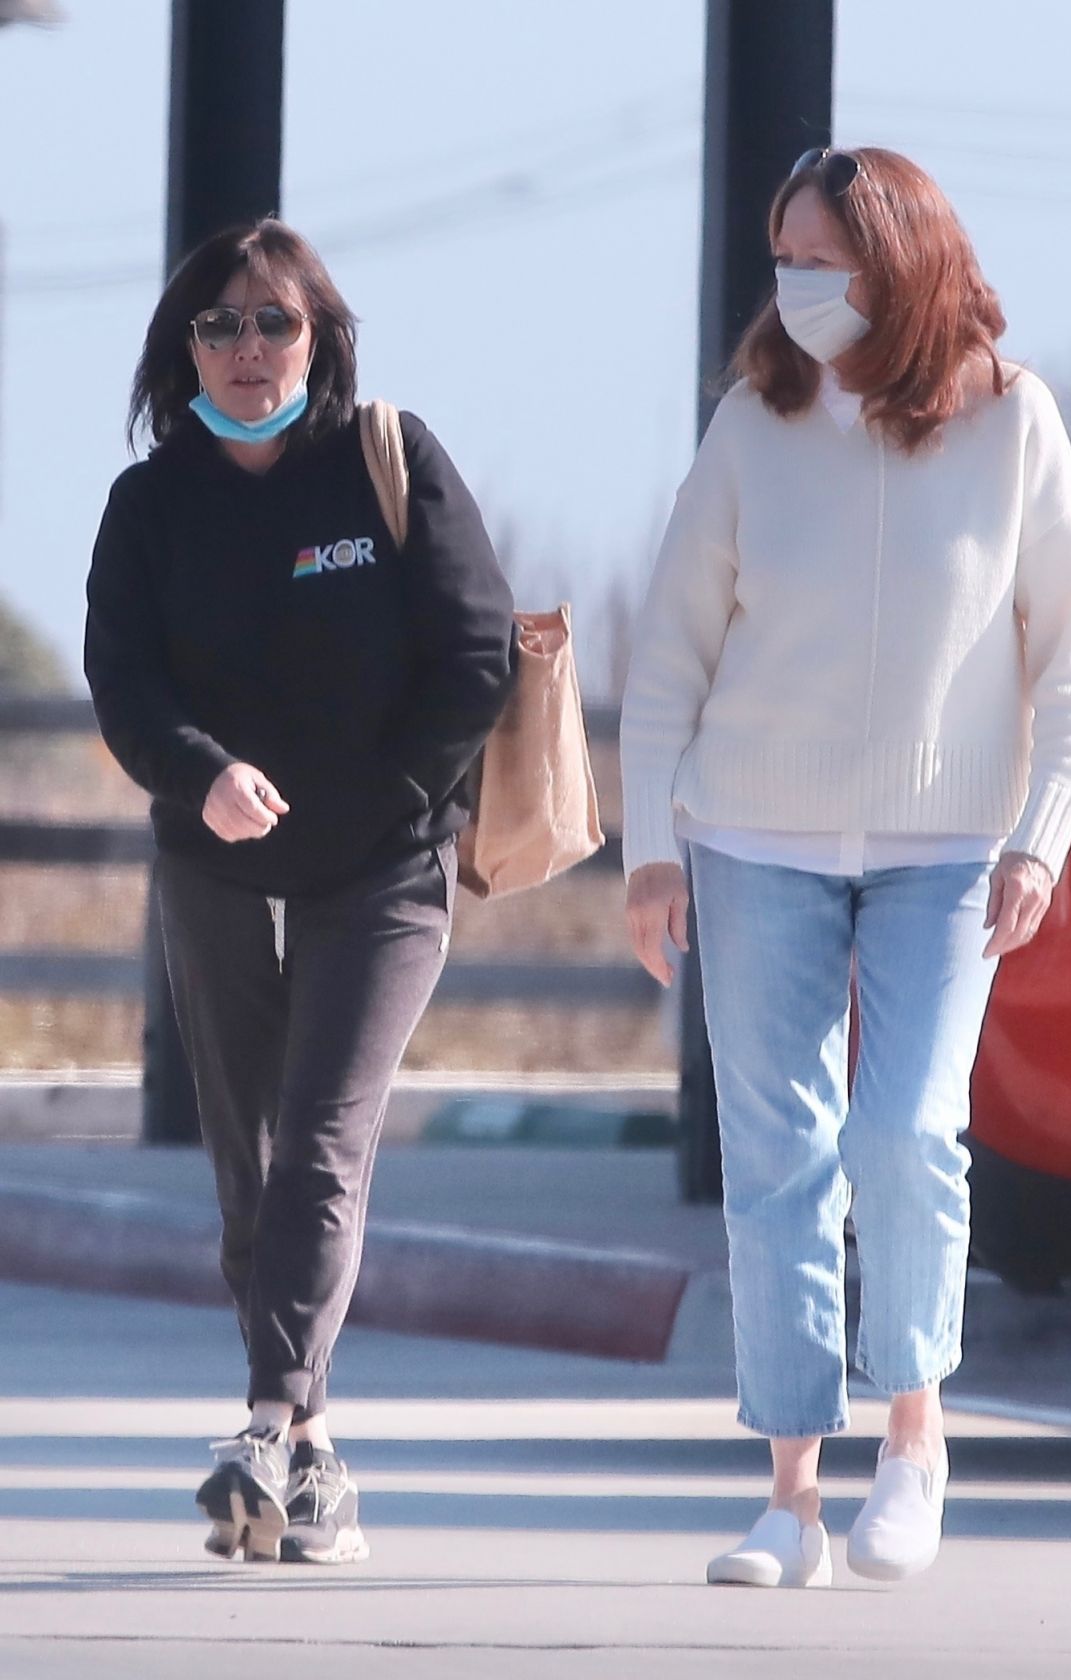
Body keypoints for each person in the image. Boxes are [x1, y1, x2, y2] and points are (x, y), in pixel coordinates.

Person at [620, 147, 1071, 1588]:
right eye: (783, 258)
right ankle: (790, 1498)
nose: (796, 287)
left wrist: (1042, 839)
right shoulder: (753, 419)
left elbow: (1070, 662)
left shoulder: (1015, 421)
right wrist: (654, 853)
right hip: (752, 839)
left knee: (904, 1135)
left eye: (821, 259)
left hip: (949, 854)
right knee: (777, 1163)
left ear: (900, 261)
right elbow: (669, 657)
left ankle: (917, 1441)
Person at [84, 218, 515, 1565]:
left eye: (275, 321)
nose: (251, 348)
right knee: (249, 1165)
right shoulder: (151, 504)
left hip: (384, 866)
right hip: (214, 862)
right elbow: (124, 684)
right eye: (221, 325)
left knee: (322, 1139)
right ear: (183, 349)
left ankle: (269, 1419)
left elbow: (475, 654)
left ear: (318, 333)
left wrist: (386, 801)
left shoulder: (386, 461)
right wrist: (199, 771)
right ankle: (315, 1461)